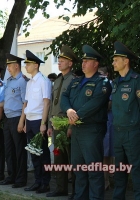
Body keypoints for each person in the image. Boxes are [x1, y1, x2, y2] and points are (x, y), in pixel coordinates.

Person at [60, 45, 112, 200]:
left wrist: (77, 115)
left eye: (87, 61)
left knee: (94, 170)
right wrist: (69, 110)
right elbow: (64, 97)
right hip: (76, 130)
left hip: (92, 130)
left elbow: (95, 103)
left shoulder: (103, 82)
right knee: (79, 169)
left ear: (95, 64)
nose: (83, 63)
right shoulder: (76, 81)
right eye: (82, 60)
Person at [46, 45, 78, 198]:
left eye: (63, 60)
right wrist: (50, 124)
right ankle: (61, 188)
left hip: (67, 124)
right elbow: (53, 103)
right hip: (56, 124)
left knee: (72, 158)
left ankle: (76, 190)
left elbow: (75, 105)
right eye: (58, 60)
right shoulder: (57, 80)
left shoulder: (74, 80)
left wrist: (71, 126)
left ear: (70, 63)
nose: (59, 62)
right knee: (59, 157)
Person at [111, 41, 140, 200]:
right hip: (118, 132)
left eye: (116, 59)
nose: (113, 62)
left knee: (136, 169)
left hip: (133, 132)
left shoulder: (136, 80)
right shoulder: (115, 83)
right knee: (119, 169)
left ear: (126, 61)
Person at [21, 50, 51, 193]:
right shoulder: (30, 83)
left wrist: (43, 123)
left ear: (36, 65)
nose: (25, 66)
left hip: (39, 119)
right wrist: (25, 122)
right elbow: (27, 104)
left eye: (28, 64)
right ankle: (37, 181)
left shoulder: (44, 81)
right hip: (30, 119)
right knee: (33, 153)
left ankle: (45, 183)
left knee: (43, 153)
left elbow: (46, 103)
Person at [0, 53, 28, 188]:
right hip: (8, 119)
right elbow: (6, 101)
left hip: (17, 118)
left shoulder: (22, 81)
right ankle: (11, 175)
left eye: (9, 65)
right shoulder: (9, 81)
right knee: (9, 149)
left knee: (19, 149)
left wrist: (22, 121)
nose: (8, 68)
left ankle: (21, 178)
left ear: (16, 66)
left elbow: (25, 103)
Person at [98, 66, 114, 191]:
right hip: (97, 122)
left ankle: (106, 181)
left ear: (107, 74)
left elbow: (109, 104)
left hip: (107, 121)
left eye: (102, 73)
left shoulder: (110, 84)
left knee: (106, 154)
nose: (100, 75)